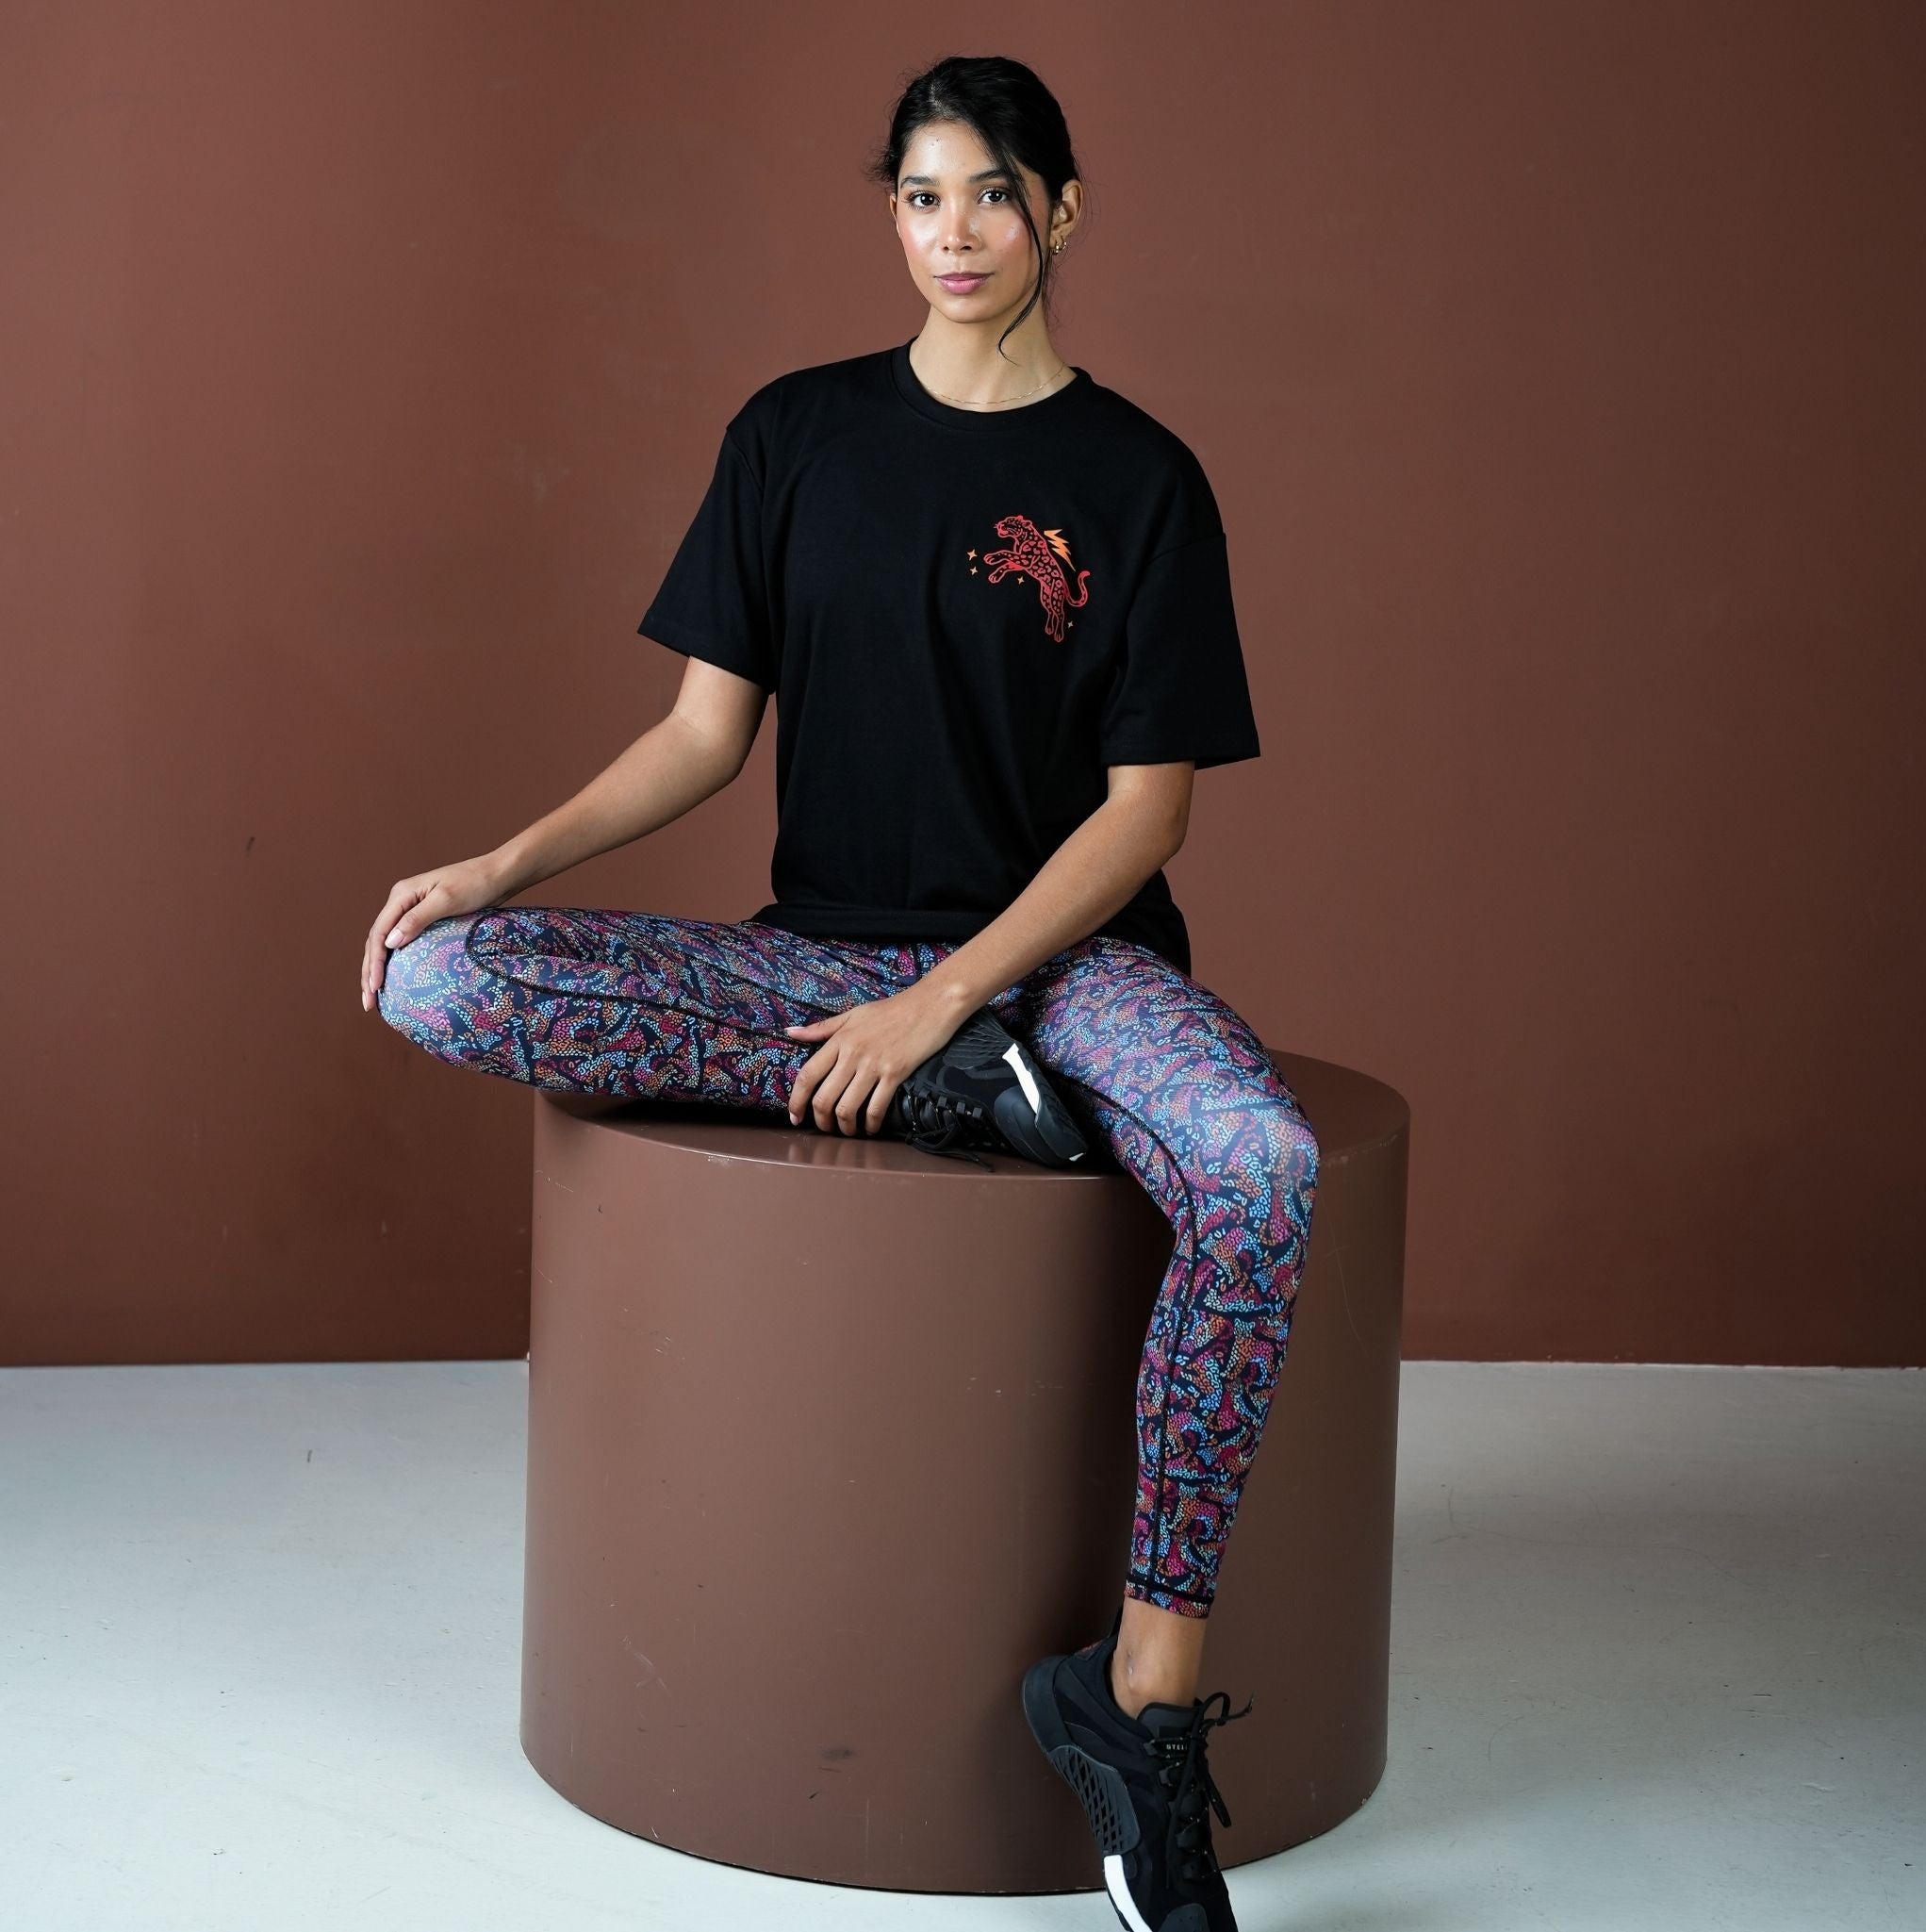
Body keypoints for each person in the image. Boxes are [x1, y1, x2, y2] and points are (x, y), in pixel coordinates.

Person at [362, 53, 1318, 1932]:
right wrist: (497, 860)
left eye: (988, 192)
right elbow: (699, 736)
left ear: (1062, 208)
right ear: (886, 212)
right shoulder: (793, 435)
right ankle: (947, 1077)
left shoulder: (1135, 480)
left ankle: (1131, 1701)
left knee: (1262, 1164)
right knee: (444, 979)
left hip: (1064, 972)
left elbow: (1142, 815)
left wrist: (955, 992)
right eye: (917, 195)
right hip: (812, 963)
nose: (952, 233)